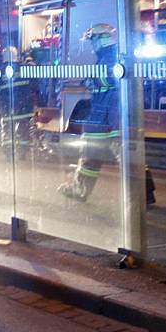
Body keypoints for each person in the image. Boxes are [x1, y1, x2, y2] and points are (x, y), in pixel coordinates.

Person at [58, 24, 120, 202]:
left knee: (125, 159)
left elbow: (114, 90)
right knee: (91, 156)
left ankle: (80, 189)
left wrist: (116, 126)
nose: (92, 44)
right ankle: (80, 189)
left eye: (93, 39)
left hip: (106, 117)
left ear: (102, 38)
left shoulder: (110, 58)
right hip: (102, 116)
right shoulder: (106, 57)